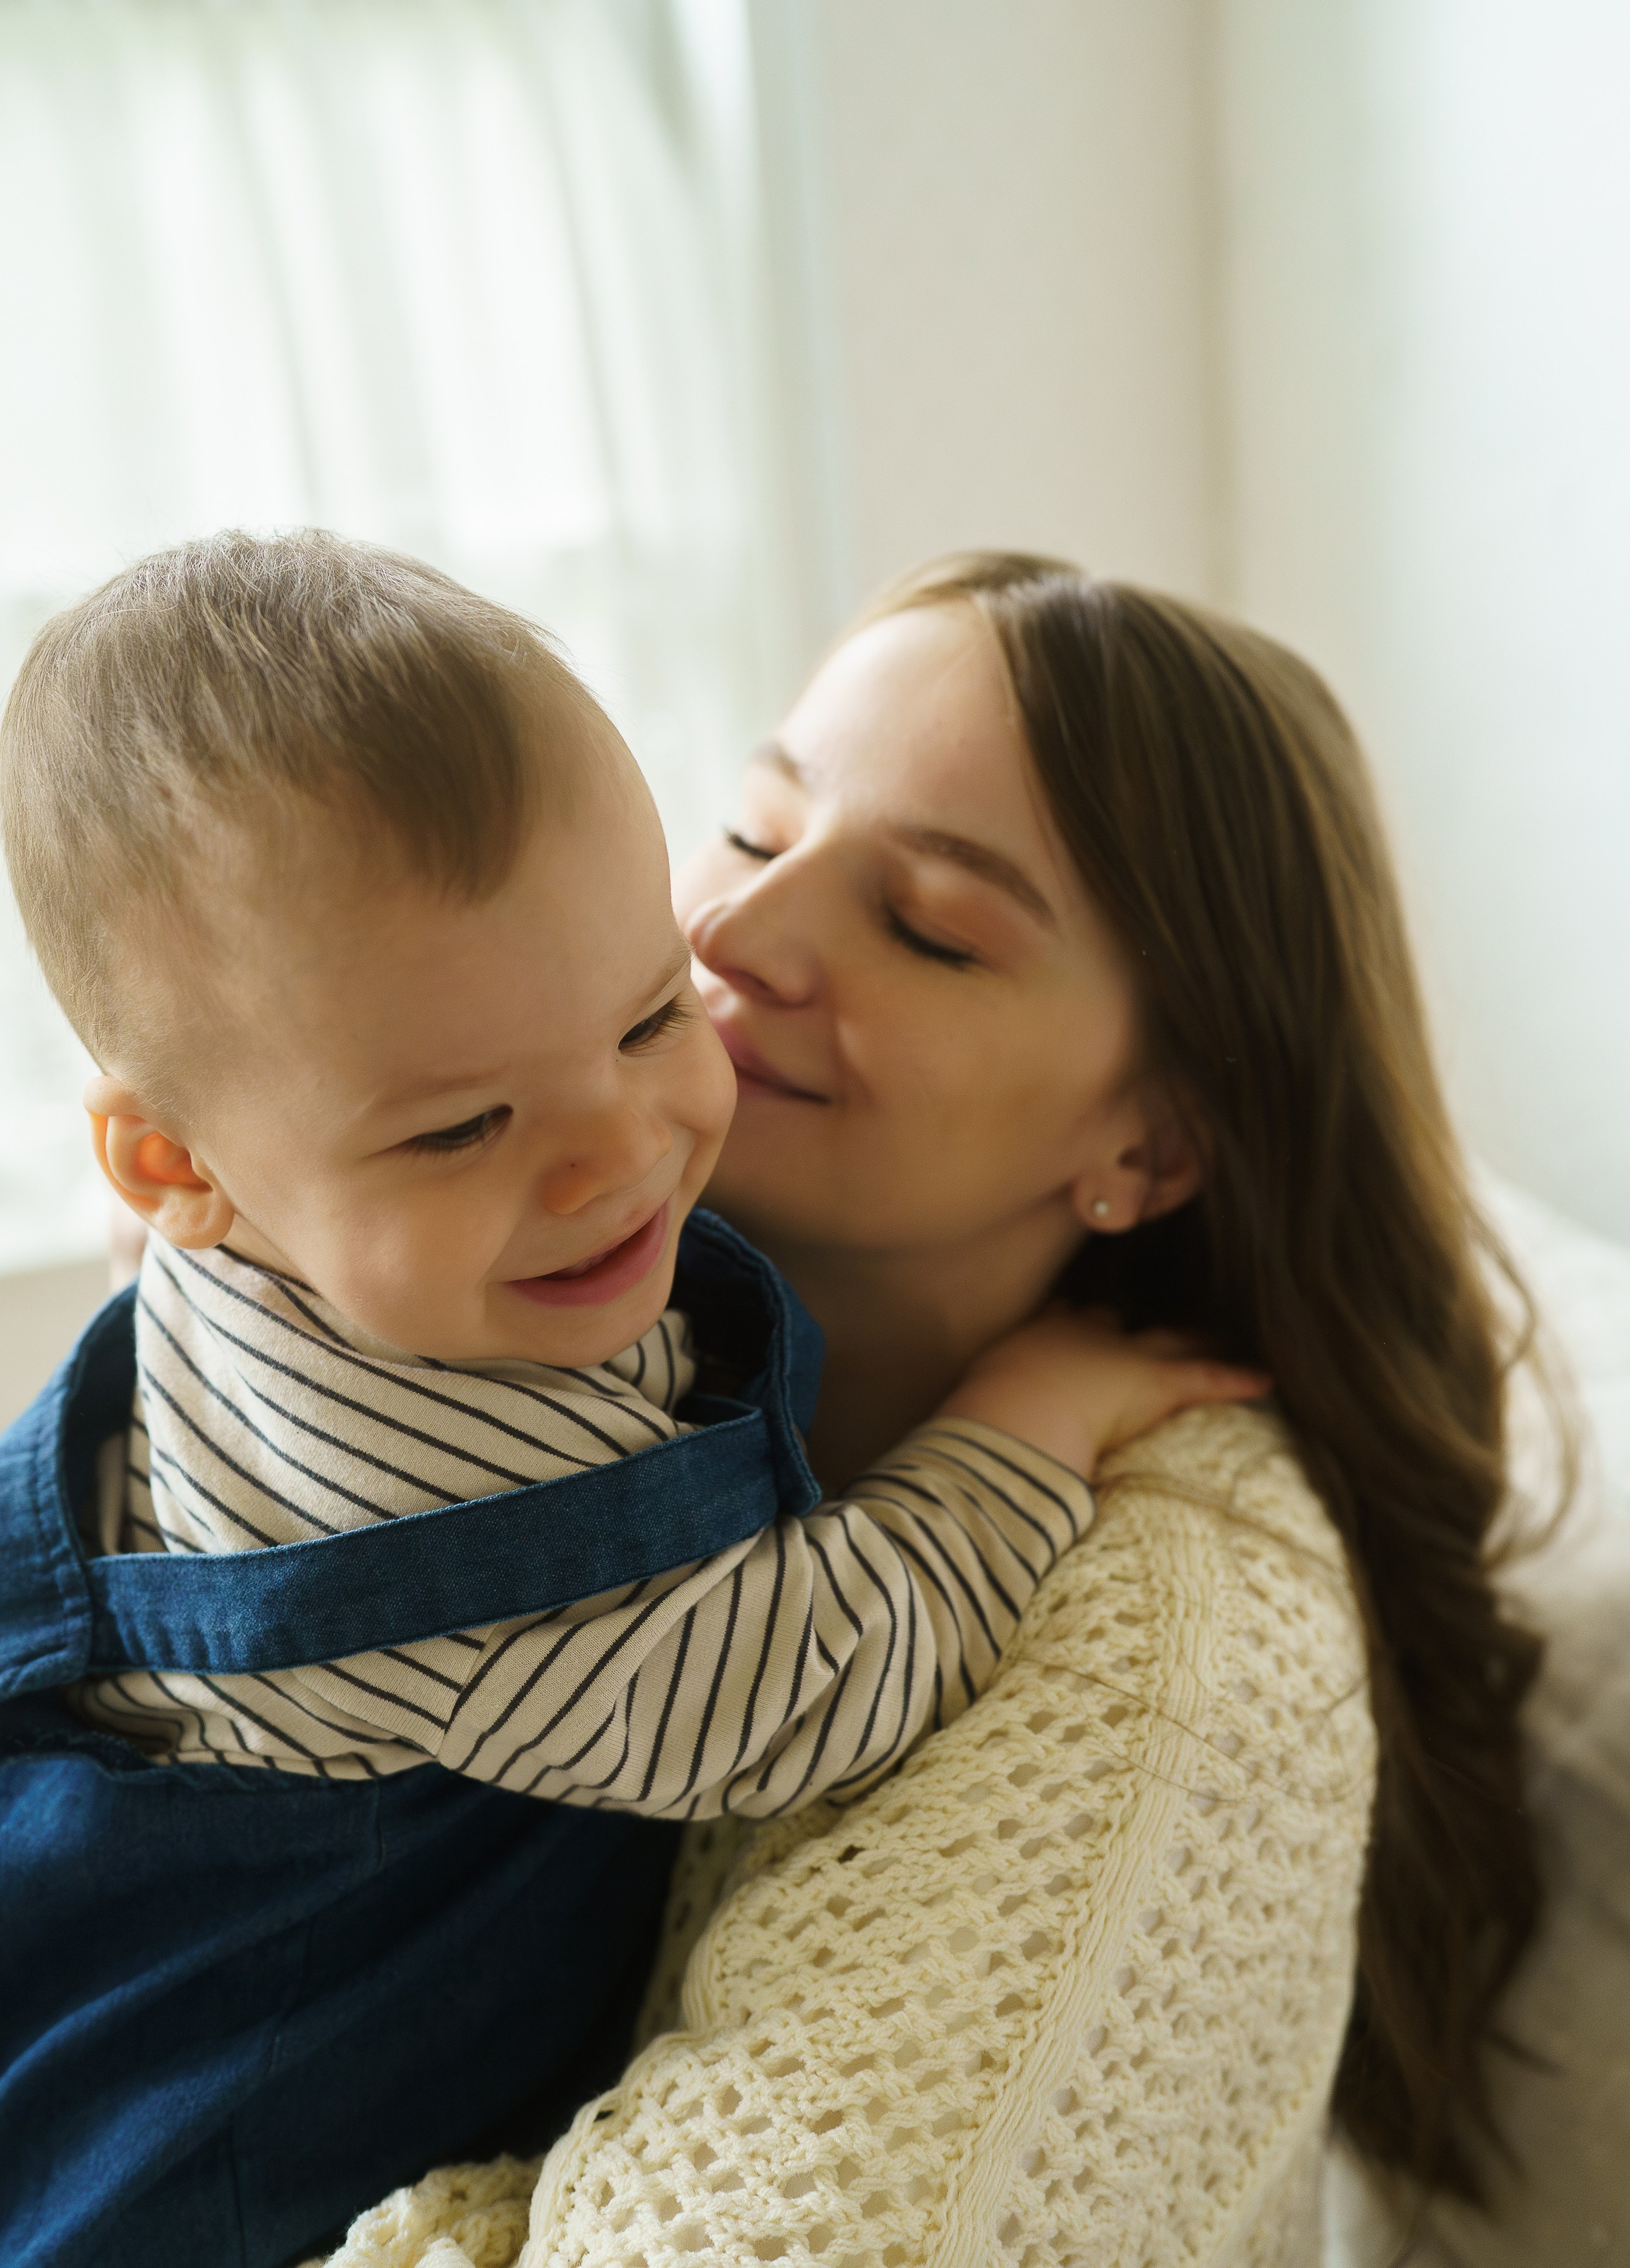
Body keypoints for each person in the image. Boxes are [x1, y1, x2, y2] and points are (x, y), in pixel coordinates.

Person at [0, 533, 1262, 2268]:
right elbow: (820, 1672)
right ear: (182, 1163)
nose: (624, 1158)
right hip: (193, 2163)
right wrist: (1038, 1412)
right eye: (462, 1128)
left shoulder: (293, 1206)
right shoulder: (468, 1543)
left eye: (646, 1017)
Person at [326, 551, 1554, 2263]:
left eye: (930, 930)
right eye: (753, 832)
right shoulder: (567, 1360)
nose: (733, 936)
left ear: (1147, 1147)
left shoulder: (1167, 1677)